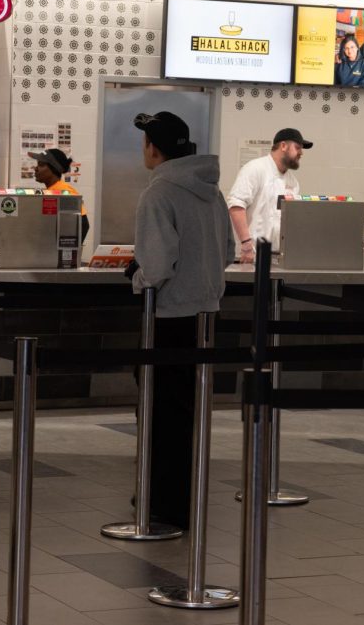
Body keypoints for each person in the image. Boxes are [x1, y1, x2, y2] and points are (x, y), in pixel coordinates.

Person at [128, 111, 233, 529]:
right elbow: (226, 251)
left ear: (153, 148)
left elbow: (156, 266)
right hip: (207, 317)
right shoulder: (212, 191)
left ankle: (160, 502)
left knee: (158, 413)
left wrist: (136, 277)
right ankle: (184, 498)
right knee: (188, 413)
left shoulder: (158, 194)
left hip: (168, 317)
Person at [227, 128, 312, 263]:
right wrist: (246, 244)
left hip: (276, 259)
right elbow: (236, 205)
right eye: (297, 148)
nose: (301, 153)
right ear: (283, 146)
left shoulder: (293, 182)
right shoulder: (255, 169)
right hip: (248, 256)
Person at [28, 147, 90, 241]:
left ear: (53, 168)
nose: (36, 168)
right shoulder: (52, 190)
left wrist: (66, 251)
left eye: (41, 164)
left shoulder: (64, 191)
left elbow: (84, 225)